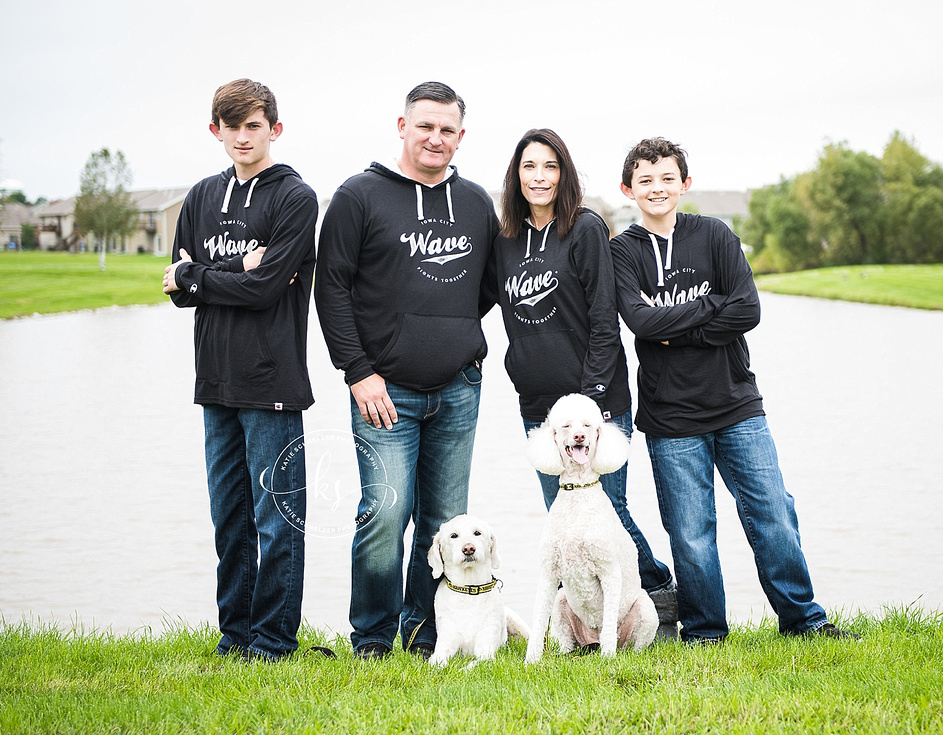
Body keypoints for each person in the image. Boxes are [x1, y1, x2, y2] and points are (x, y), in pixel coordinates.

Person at [610, 137, 859, 644]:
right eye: (645, 180)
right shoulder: (623, 251)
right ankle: (705, 633)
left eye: (666, 178)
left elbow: (748, 310)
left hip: (737, 405)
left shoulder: (716, 235)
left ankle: (805, 621)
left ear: (685, 183)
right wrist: (708, 308)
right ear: (628, 189)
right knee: (692, 534)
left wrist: (672, 327)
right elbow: (638, 320)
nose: (657, 188)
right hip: (670, 417)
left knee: (773, 514)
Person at [314, 81, 498, 660]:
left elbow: (489, 285)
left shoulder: (475, 203)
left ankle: (423, 638)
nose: (435, 138)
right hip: (382, 390)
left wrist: (452, 333)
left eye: (448, 130)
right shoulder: (358, 196)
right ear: (402, 127)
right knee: (385, 513)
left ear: (460, 136)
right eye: (425, 126)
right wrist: (358, 370)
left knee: (444, 522)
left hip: (458, 388)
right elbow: (332, 288)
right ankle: (371, 641)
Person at [493, 128, 679, 638]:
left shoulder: (586, 228)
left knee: (608, 514)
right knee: (564, 516)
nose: (539, 177)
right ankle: (582, 621)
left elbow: (604, 318)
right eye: (530, 166)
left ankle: (656, 595)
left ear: (564, 173)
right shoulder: (505, 239)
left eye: (550, 166)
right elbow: (476, 299)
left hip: (596, 406)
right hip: (538, 408)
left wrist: (594, 399)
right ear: (516, 175)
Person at [162, 79, 320, 661]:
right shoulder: (200, 198)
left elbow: (260, 289)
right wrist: (226, 271)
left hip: (272, 381)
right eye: (232, 127)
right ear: (216, 132)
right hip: (215, 383)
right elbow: (178, 289)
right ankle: (236, 638)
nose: (243, 137)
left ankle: (274, 641)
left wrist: (202, 274)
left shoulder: (297, 198)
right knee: (229, 518)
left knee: (277, 520)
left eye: (254, 126)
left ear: (274, 130)